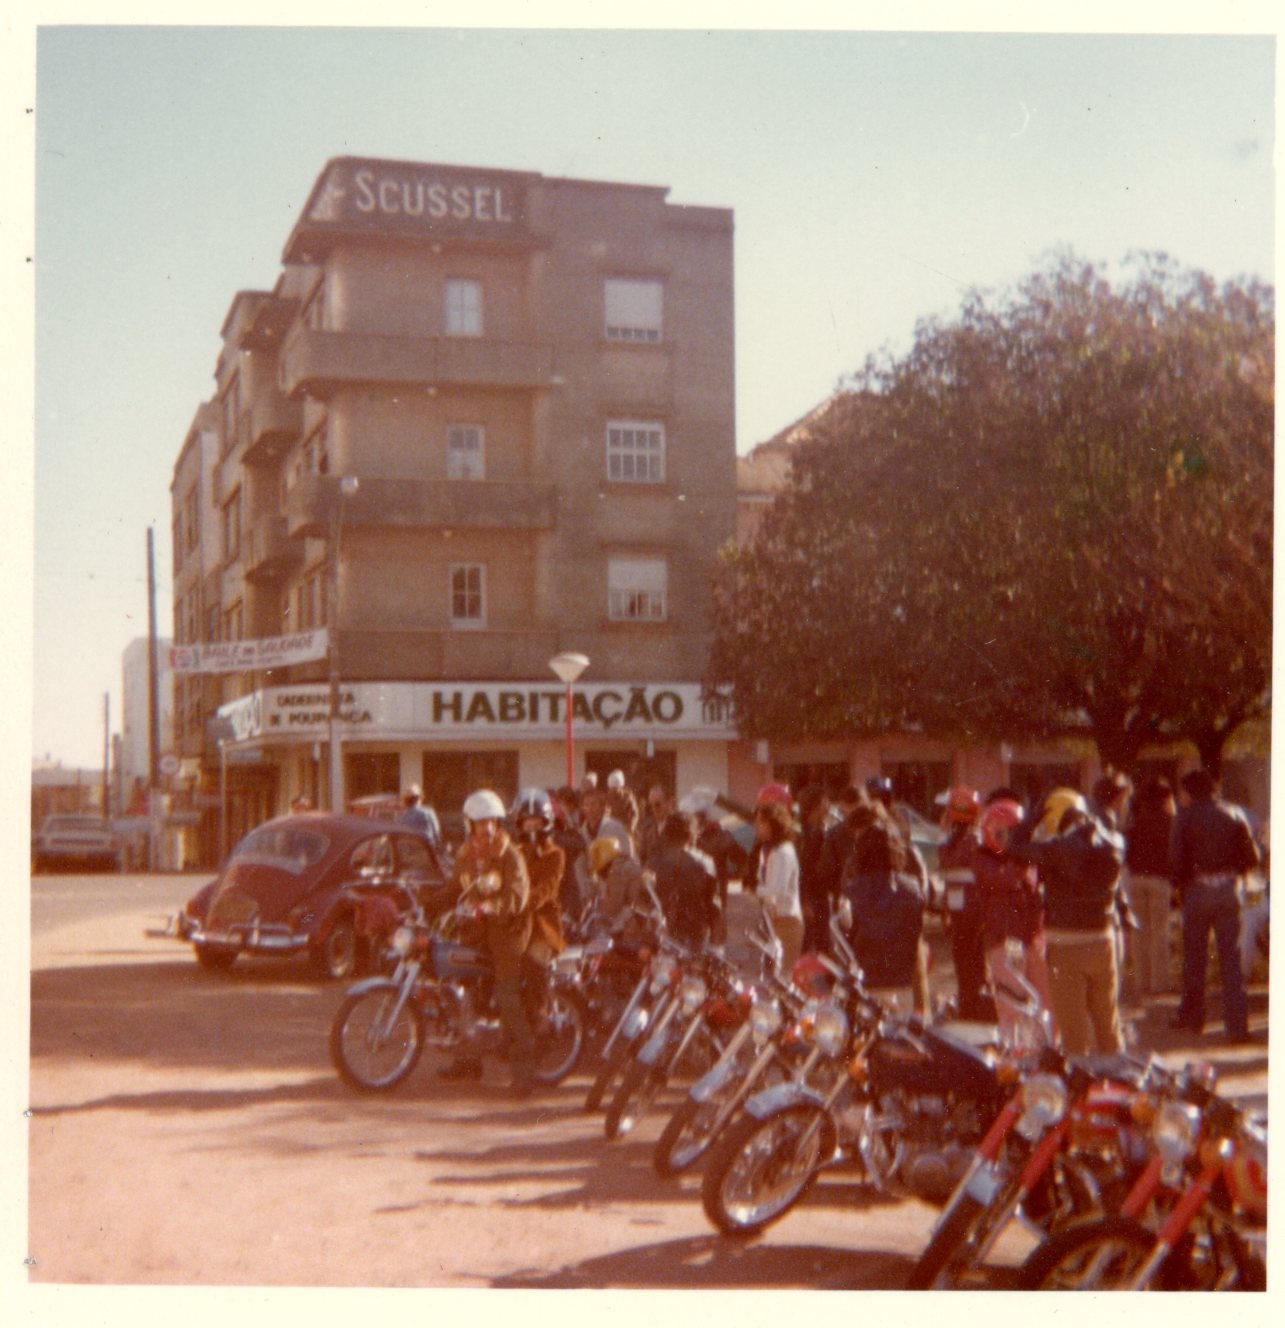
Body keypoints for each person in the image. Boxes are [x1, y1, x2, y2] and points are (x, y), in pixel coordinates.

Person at [1010, 789, 1127, 1056]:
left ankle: (1080, 1081)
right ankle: (1118, 1077)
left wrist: (1028, 821)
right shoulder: (1113, 843)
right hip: (1104, 940)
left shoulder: (1058, 849)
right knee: (1108, 1025)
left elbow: (1013, 851)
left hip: (1067, 945)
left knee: (1074, 1035)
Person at [438, 789, 535, 1095]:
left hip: (508, 934)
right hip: (476, 932)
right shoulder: (466, 855)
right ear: (470, 825)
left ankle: (524, 1074)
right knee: (462, 991)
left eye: (492, 821)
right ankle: (468, 1061)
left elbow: (517, 897)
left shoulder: (510, 855)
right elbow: (454, 889)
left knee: (508, 1000)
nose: (487, 828)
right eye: (481, 822)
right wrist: (422, 899)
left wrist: (489, 908)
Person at [1170, 769, 1260, 1044]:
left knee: (1194, 958)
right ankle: (1237, 1026)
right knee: (1232, 962)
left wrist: (1180, 887)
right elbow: (1253, 857)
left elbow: (1176, 859)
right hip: (1229, 890)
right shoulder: (1234, 814)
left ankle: (1194, 1016)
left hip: (1198, 890)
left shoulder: (1185, 817)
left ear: (1189, 791)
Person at [973, 796, 1053, 1041]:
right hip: (1004, 940)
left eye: (1012, 834)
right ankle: (1010, 1051)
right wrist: (1021, 854)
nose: (1007, 840)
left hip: (1031, 938)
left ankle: (1044, 1050)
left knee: (1044, 1000)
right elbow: (1003, 879)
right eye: (1002, 833)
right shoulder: (983, 858)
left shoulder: (1027, 860)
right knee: (1010, 1004)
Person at [840, 821, 925, 1015]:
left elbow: (844, 940)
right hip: (901, 983)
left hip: (866, 985)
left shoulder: (852, 892)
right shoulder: (912, 889)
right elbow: (915, 932)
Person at [936, 785, 994, 1021]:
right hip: (962, 909)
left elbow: (948, 862)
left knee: (969, 959)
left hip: (970, 910)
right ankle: (970, 1004)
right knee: (967, 959)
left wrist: (942, 835)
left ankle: (972, 1006)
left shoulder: (971, 839)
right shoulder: (963, 838)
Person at [511, 788, 566, 1026]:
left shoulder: (555, 854)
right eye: (528, 822)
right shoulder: (515, 853)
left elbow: (546, 889)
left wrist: (518, 904)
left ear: (546, 824)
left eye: (537, 822)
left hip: (544, 926)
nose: (532, 827)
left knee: (533, 964)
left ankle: (540, 1019)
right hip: (517, 924)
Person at [1123, 776, 1178, 996]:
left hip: (1135, 879)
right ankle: (1159, 984)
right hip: (1158, 879)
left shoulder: (1134, 820)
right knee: (1159, 932)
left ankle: (1141, 982)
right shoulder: (1169, 821)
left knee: (1139, 933)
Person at [650, 811, 719, 949]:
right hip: (696, 933)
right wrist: (716, 943)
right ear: (691, 833)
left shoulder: (656, 862)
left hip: (666, 932)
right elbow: (714, 905)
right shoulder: (705, 862)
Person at [754, 799, 803, 974]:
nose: (756, 827)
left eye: (760, 822)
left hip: (786, 921)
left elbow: (776, 891)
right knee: (774, 975)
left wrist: (757, 890)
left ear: (772, 824)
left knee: (783, 976)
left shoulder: (783, 852)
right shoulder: (770, 851)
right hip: (776, 920)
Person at [586, 834, 649, 945]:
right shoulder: (624, 864)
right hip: (641, 914)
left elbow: (615, 904)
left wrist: (598, 913)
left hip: (636, 920)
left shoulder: (616, 871)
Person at [797, 783, 832, 955]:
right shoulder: (808, 834)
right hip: (812, 898)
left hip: (820, 895)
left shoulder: (820, 830)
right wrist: (805, 901)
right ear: (815, 805)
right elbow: (804, 869)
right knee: (813, 945)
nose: (829, 805)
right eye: (825, 801)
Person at [398, 783, 442, 849]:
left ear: (405, 801)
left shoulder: (401, 816)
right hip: (426, 849)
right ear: (419, 799)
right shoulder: (428, 812)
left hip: (407, 850)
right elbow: (436, 832)